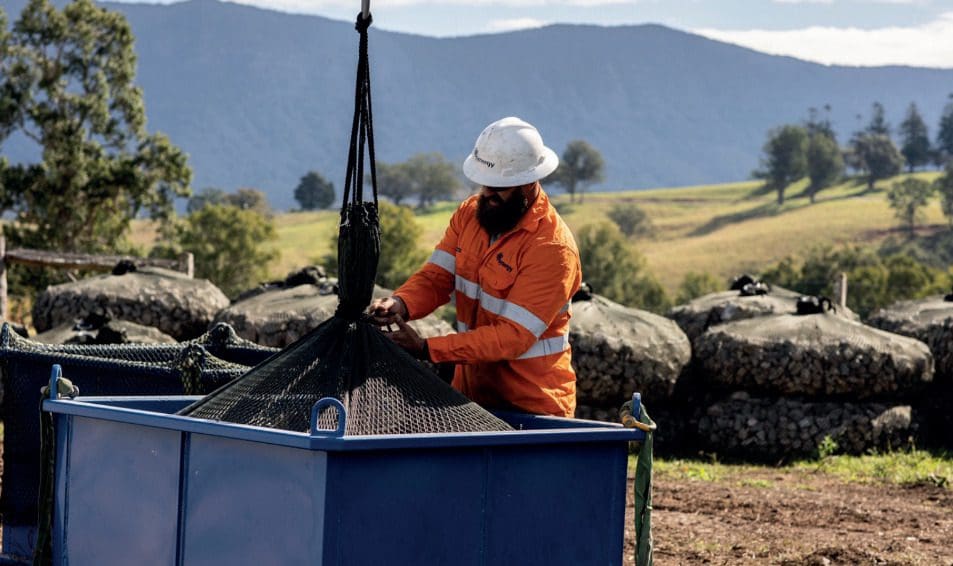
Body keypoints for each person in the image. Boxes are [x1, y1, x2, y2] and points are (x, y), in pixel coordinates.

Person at [369, 117, 581, 417]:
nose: (489, 194)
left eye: (501, 188)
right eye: (486, 184)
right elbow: (436, 278)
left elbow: (512, 337)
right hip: (472, 398)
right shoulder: (469, 215)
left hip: (533, 407)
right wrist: (400, 303)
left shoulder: (552, 249)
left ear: (529, 183)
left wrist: (428, 348)